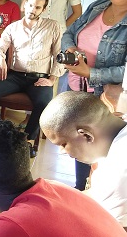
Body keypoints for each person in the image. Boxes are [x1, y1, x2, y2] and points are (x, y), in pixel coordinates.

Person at [60, 0, 127, 190]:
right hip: (76, 87)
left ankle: (97, 194)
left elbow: (126, 70)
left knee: (102, 148)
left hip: (107, 98)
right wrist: (70, 48)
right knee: (80, 141)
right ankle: (80, 188)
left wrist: (91, 73)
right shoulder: (98, 7)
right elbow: (69, 33)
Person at [0, 0, 62, 158]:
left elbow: (59, 55)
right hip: (16, 76)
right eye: (30, 5)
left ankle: (27, 141)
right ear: (25, 5)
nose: (32, 10)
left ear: (44, 9)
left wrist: (52, 79)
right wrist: (0, 59)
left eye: (37, 7)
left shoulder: (53, 26)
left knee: (44, 102)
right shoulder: (13, 27)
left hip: (39, 78)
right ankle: (4, 133)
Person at [40, 91, 127, 229]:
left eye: (63, 144)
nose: (62, 151)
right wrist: (57, 196)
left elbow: (112, 234)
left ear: (86, 135)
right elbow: (97, 194)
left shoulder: (118, 171)